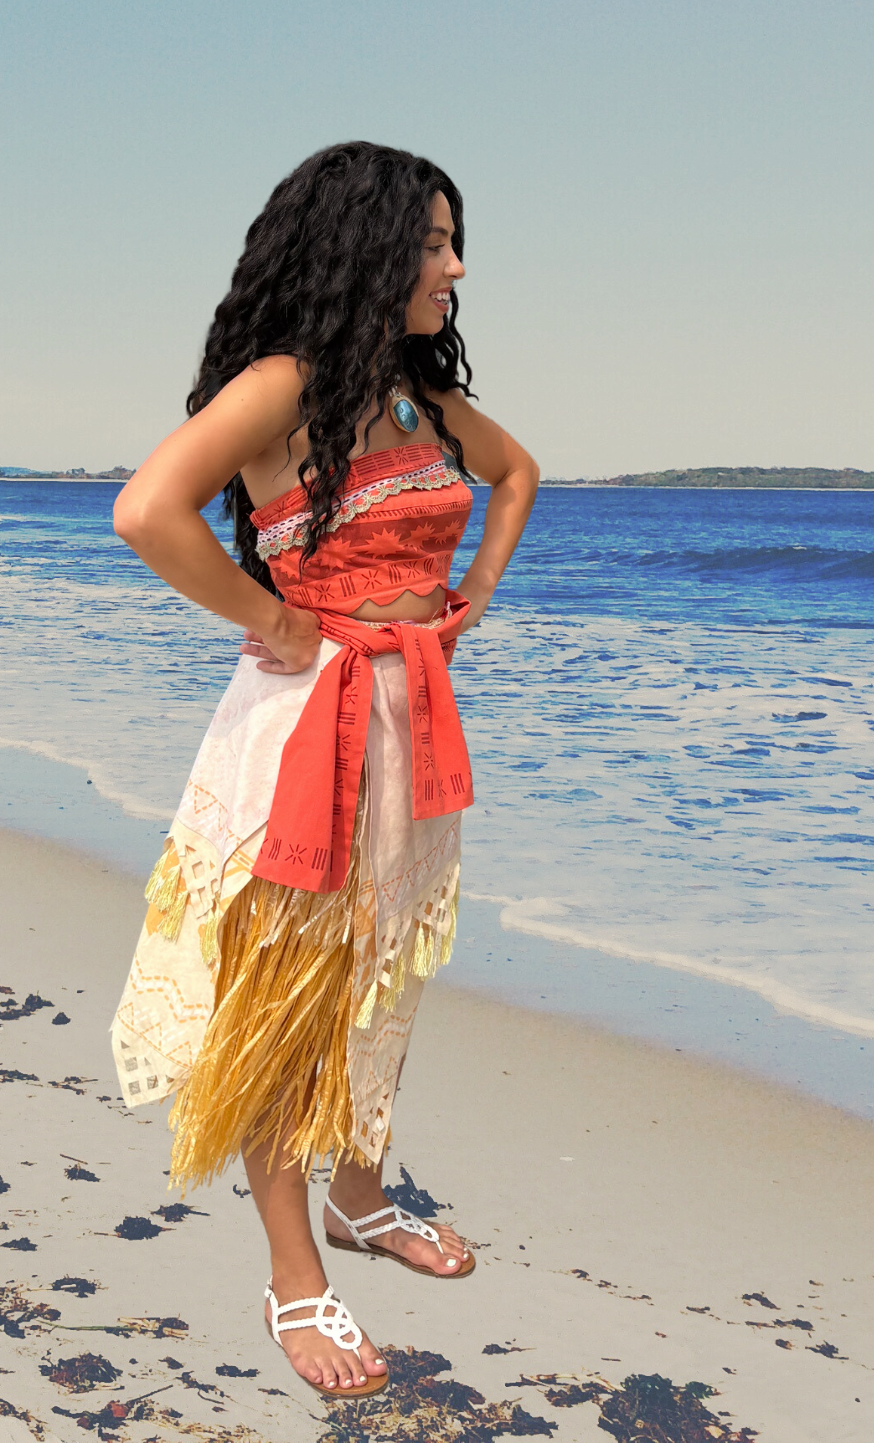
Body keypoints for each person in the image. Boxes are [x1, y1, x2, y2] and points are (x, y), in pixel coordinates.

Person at [109, 141, 538, 1400]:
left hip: (412, 722)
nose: (453, 267)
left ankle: (360, 1194)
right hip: (305, 735)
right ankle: (297, 1273)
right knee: (285, 1010)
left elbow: (516, 478)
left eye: (455, 242)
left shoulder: (414, 395)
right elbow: (147, 511)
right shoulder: (282, 387)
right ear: (362, 248)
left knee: (386, 967)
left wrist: (468, 601)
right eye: (430, 243)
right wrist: (277, 617)